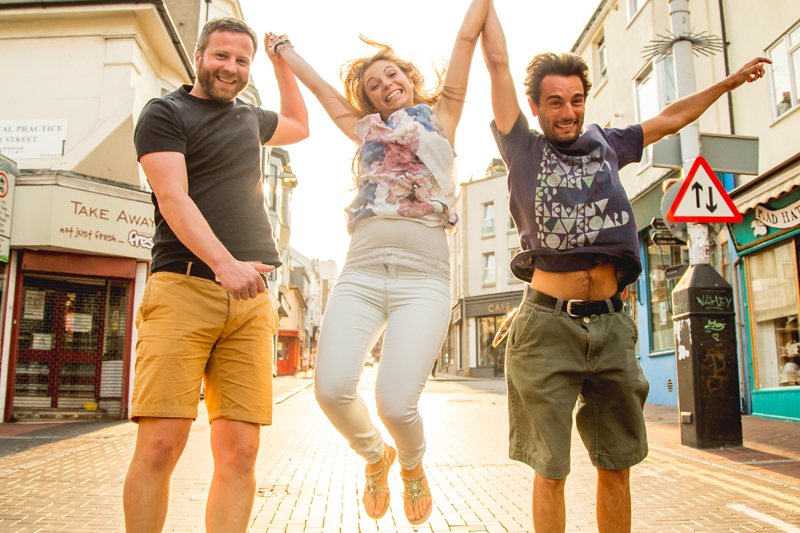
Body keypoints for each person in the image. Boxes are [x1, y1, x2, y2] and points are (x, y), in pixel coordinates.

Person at [479, 3, 769, 532]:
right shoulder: (522, 147)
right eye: (554, 103)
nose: (567, 113)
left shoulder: (608, 144)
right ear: (534, 106)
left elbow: (671, 117)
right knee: (552, 470)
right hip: (546, 327)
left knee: (617, 465)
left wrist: (726, 83)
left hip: (612, 325)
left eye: (576, 100)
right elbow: (498, 62)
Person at [269, 0, 489, 524]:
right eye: (372, 84)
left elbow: (464, 45)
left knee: (396, 405)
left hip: (424, 280)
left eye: (391, 74)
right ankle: (375, 456)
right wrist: (284, 52)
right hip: (362, 274)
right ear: (367, 99)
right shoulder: (364, 131)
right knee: (330, 388)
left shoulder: (445, 117)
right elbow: (324, 92)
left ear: (408, 78)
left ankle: (411, 465)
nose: (385, 84)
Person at [123, 17, 308, 533]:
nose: (231, 68)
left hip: (251, 303)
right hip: (183, 287)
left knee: (241, 452)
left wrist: (281, 63)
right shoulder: (165, 112)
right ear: (200, 56)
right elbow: (172, 199)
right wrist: (224, 265)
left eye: (242, 61)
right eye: (221, 56)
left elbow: (299, 124)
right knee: (161, 444)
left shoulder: (249, 118)